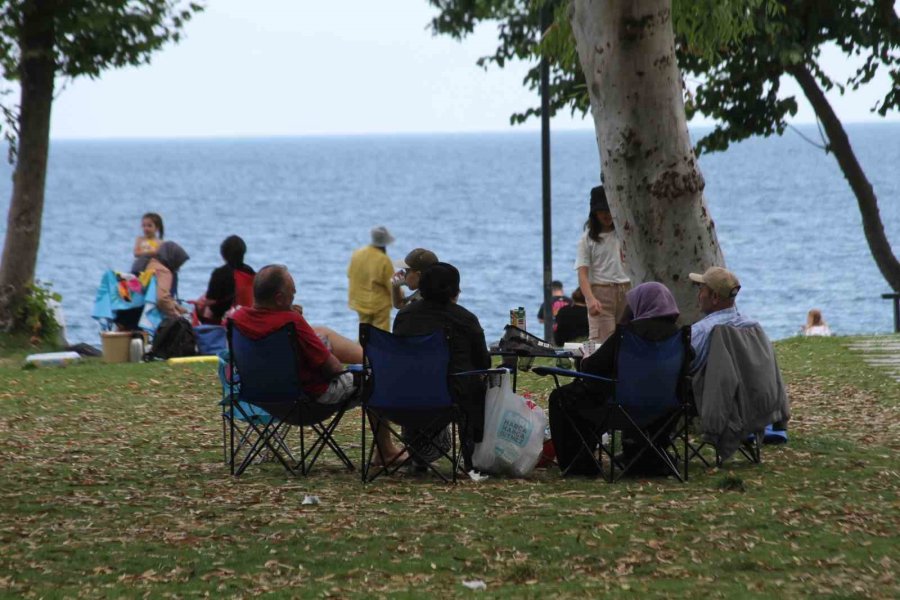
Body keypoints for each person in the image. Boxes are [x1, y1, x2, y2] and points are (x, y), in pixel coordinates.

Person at [232, 265, 405, 462]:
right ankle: (385, 451)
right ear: (279, 298)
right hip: (309, 401)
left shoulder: (238, 319)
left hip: (263, 398)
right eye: (292, 293)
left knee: (323, 334)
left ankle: (378, 358)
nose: (294, 297)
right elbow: (334, 369)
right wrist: (299, 323)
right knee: (375, 375)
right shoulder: (291, 322)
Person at [549, 282, 691, 476]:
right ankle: (647, 455)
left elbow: (593, 367)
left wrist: (585, 360)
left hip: (620, 407)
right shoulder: (679, 336)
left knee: (562, 397)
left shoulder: (629, 334)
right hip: (664, 410)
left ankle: (580, 465)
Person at [393, 262, 491, 470]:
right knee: (477, 384)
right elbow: (483, 363)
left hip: (405, 394)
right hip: (452, 395)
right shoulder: (465, 319)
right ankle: (471, 456)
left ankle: (419, 451)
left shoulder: (404, 317)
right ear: (454, 291)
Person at [575, 185, 631, 343]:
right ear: (594, 213)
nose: (607, 215)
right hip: (601, 292)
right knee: (602, 341)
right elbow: (582, 273)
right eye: (602, 211)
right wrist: (590, 298)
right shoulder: (587, 239)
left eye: (609, 210)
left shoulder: (624, 233)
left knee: (627, 339)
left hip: (627, 289)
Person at [687, 266, 758, 373]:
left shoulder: (701, 331)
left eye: (701, 289)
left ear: (715, 296)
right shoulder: (751, 326)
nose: (699, 295)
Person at [347, 226, 395, 332]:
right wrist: (402, 300)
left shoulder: (357, 254)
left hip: (360, 303)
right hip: (380, 305)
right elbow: (392, 285)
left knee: (364, 332)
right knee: (381, 333)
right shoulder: (384, 260)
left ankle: (362, 348)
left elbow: (350, 274)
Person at [198, 235, 255, 324]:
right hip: (246, 314)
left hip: (222, 317)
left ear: (223, 254)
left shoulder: (219, 273)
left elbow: (210, 301)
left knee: (203, 307)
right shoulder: (250, 272)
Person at [145, 241, 190, 320]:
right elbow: (162, 299)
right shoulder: (164, 272)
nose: (178, 268)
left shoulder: (151, 264)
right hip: (154, 318)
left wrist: (178, 308)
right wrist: (177, 315)